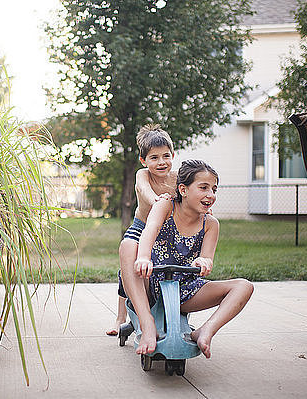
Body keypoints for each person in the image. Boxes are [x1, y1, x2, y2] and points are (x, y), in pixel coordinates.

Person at [126, 159, 253, 358]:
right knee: (127, 246)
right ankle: (147, 323)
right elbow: (150, 230)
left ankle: (206, 330)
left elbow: (207, 258)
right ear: (183, 190)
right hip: (150, 281)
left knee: (244, 286)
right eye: (203, 187)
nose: (210, 195)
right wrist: (143, 257)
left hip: (184, 291)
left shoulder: (210, 224)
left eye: (214, 189)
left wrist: (204, 262)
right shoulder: (166, 206)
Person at [106, 124, 178, 336]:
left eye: (166, 156)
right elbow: (143, 190)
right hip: (141, 228)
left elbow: (192, 194)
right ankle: (120, 318)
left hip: (165, 232)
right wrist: (157, 201)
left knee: (166, 269)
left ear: (173, 155)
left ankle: (165, 311)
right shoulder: (142, 175)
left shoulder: (177, 178)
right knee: (128, 265)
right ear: (144, 160)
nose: (161, 162)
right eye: (154, 157)